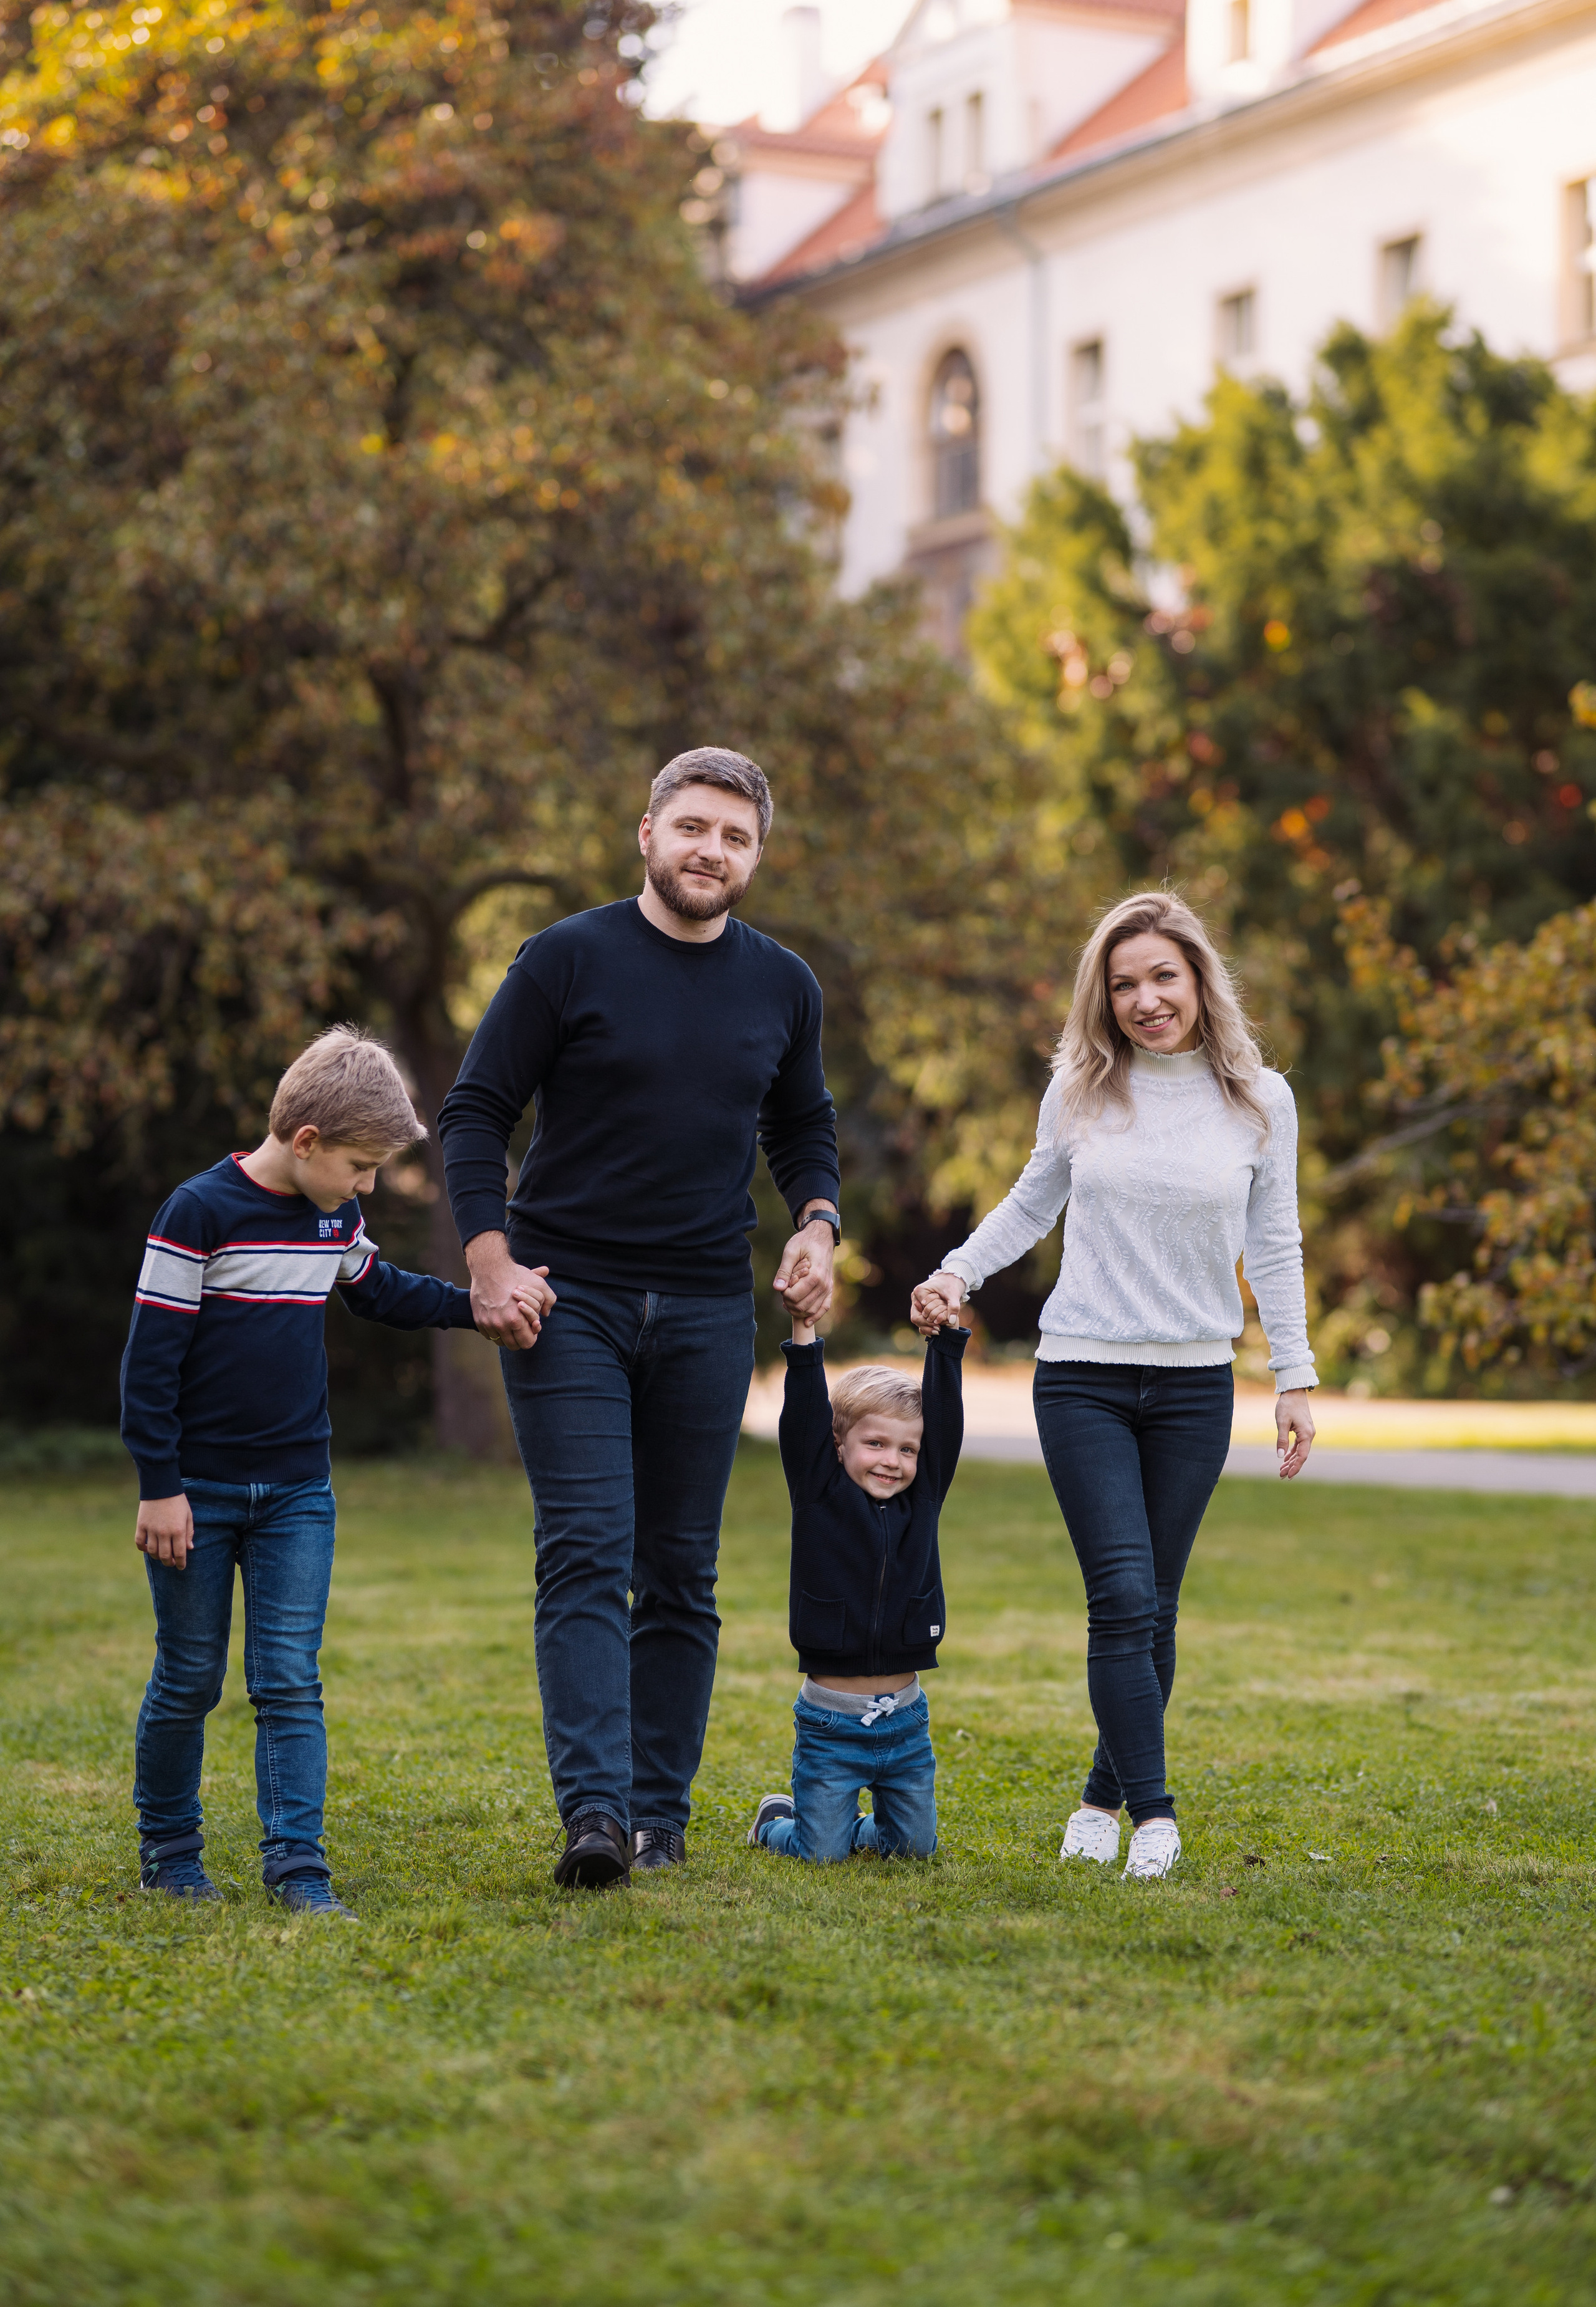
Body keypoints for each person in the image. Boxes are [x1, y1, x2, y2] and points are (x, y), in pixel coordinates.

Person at [437, 748, 842, 1890]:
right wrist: (489, 1260)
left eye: (736, 837)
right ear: (649, 832)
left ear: (756, 857)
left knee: (680, 1571)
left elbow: (804, 1125)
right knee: (585, 1552)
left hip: (710, 1307)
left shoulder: (785, 985)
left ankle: (659, 1815)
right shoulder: (566, 958)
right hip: (566, 1301)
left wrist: (818, 1225)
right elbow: (474, 1112)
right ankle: (597, 1816)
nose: (713, 851)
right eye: (694, 827)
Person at [911, 890, 1316, 1883]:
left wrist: (1295, 1376)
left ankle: (1101, 1799)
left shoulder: (1262, 1101)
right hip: (1082, 1376)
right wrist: (957, 1272)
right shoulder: (1081, 1089)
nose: (1145, 1000)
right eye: (1124, 983)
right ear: (1104, 996)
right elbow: (1030, 1203)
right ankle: (1157, 1818)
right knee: (1123, 1596)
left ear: (1200, 980)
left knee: (1155, 1608)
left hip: (1195, 1385)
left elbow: (1274, 1244)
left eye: (1163, 977)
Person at [121, 1027, 494, 1915]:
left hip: (297, 1494)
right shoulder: (198, 1212)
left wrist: (476, 1307)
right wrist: (160, 1487)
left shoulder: (335, 1218)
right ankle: (170, 1853)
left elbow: (380, 1290)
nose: (368, 1187)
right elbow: (149, 1365)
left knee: (289, 1680)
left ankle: (298, 1868)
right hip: (197, 1494)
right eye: (361, 1167)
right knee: (190, 1677)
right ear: (307, 1140)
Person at [746, 1301, 968, 1863]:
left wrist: (944, 1342)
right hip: (830, 1724)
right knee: (820, 1855)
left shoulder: (924, 1500)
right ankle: (776, 1824)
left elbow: (944, 1426)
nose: (892, 1461)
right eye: (876, 1444)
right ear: (839, 1444)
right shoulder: (817, 1493)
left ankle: (857, 1825)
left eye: (907, 1449)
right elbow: (803, 1416)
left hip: (905, 1723)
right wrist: (804, 1330)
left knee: (914, 1850)